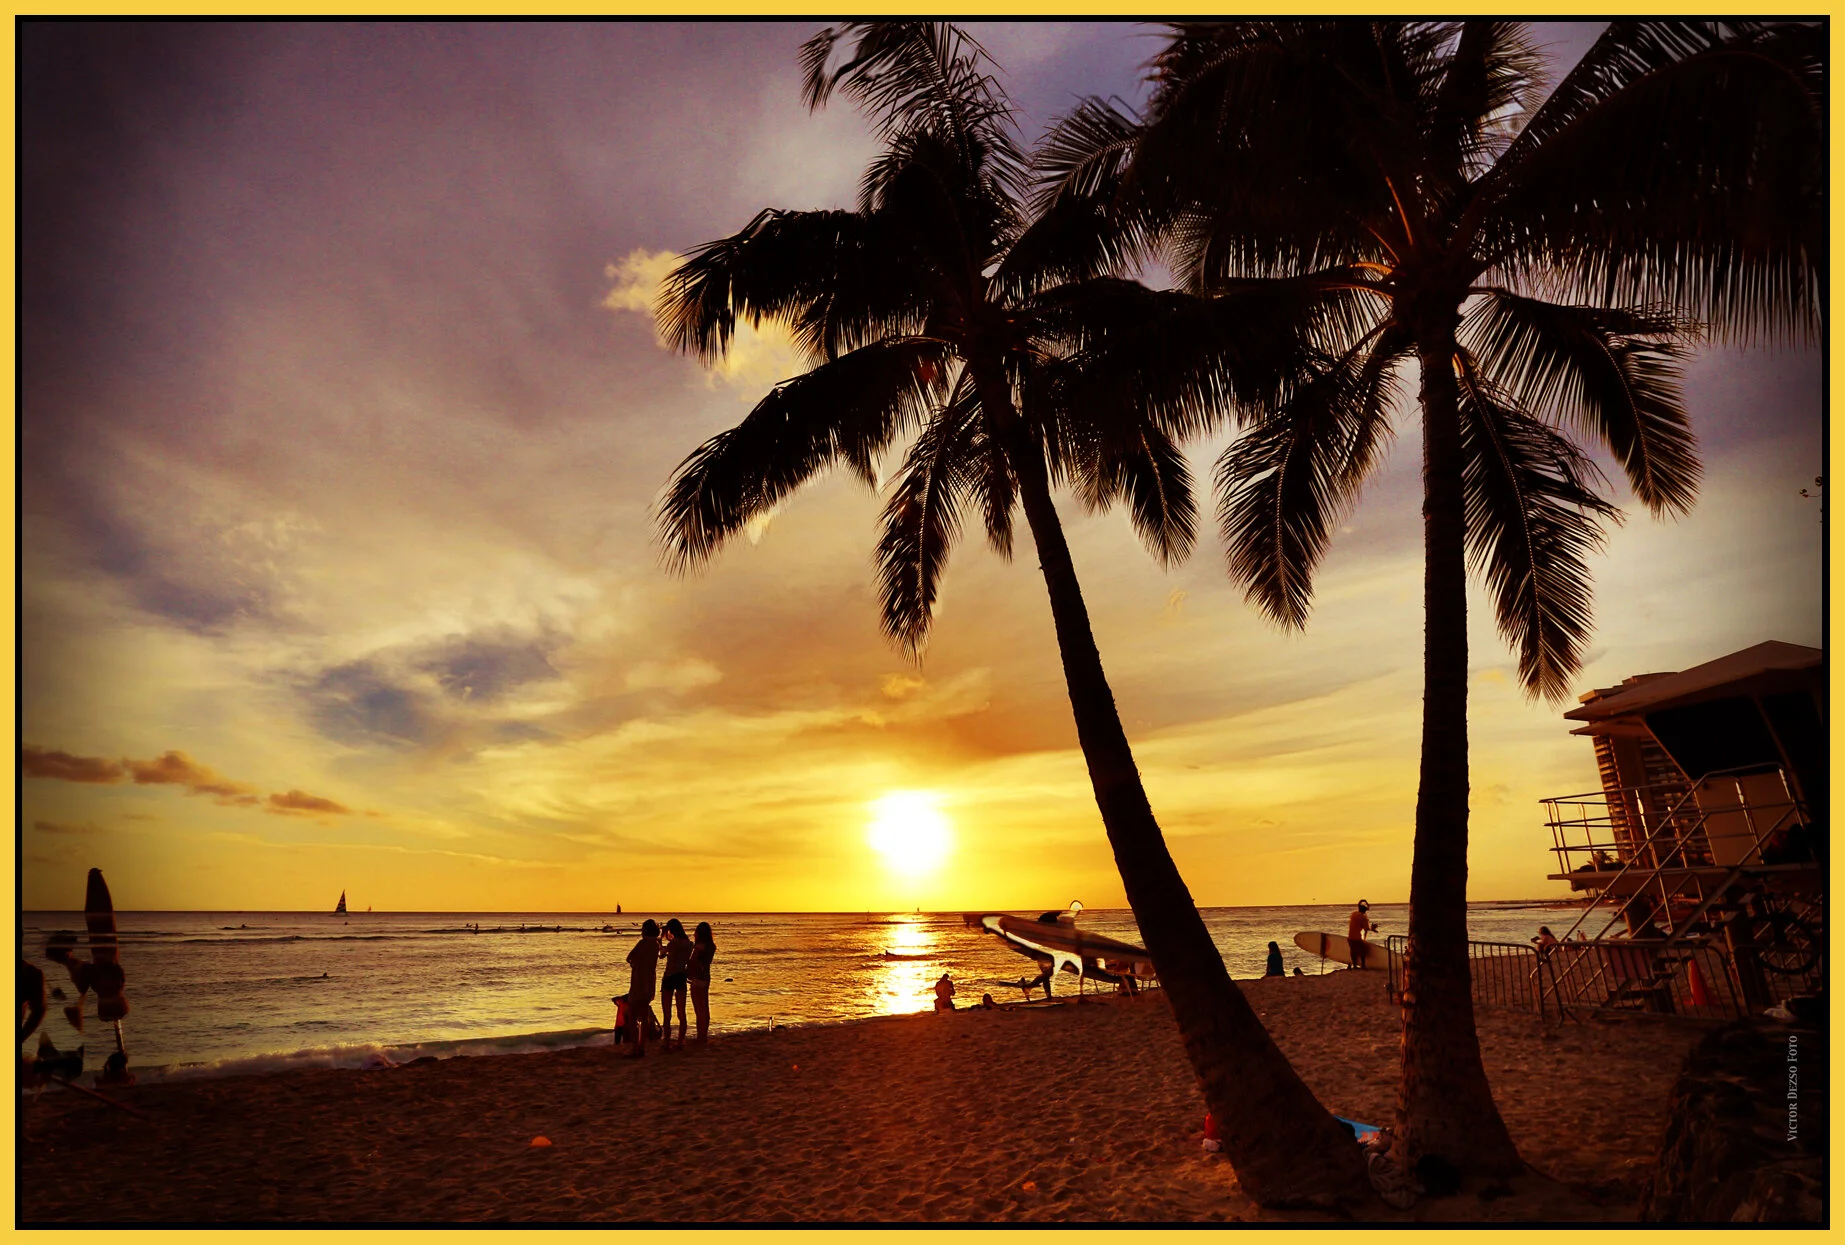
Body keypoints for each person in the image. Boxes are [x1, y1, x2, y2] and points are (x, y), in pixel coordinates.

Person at [623, 919, 660, 1057]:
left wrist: (635, 964)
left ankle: (635, 1047)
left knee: (632, 1016)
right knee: (644, 1016)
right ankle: (642, 1045)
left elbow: (629, 958)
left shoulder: (643, 943)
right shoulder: (655, 944)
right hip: (649, 981)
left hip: (638, 980)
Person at [659, 919, 693, 1051]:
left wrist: (660, 943)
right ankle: (680, 1041)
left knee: (667, 1013)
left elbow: (661, 955)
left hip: (669, 976)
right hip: (681, 976)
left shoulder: (673, 943)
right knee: (681, 1012)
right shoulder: (689, 944)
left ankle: (666, 1042)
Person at [686, 922, 717, 1047]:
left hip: (697, 977)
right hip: (706, 976)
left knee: (698, 1008)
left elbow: (694, 960)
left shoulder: (699, 946)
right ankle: (703, 1035)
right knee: (705, 1007)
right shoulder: (711, 946)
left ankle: (700, 1036)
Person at [1347, 900, 1377, 970]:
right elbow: (1366, 928)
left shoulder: (1353, 914)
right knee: (1362, 952)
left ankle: (1354, 966)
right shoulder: (1363, 918)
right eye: (1365, 910)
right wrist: (1372, 928)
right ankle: (1363, 966)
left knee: (1353, 951)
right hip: (1357, 938)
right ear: (1364, 910)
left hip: (1350, 937)